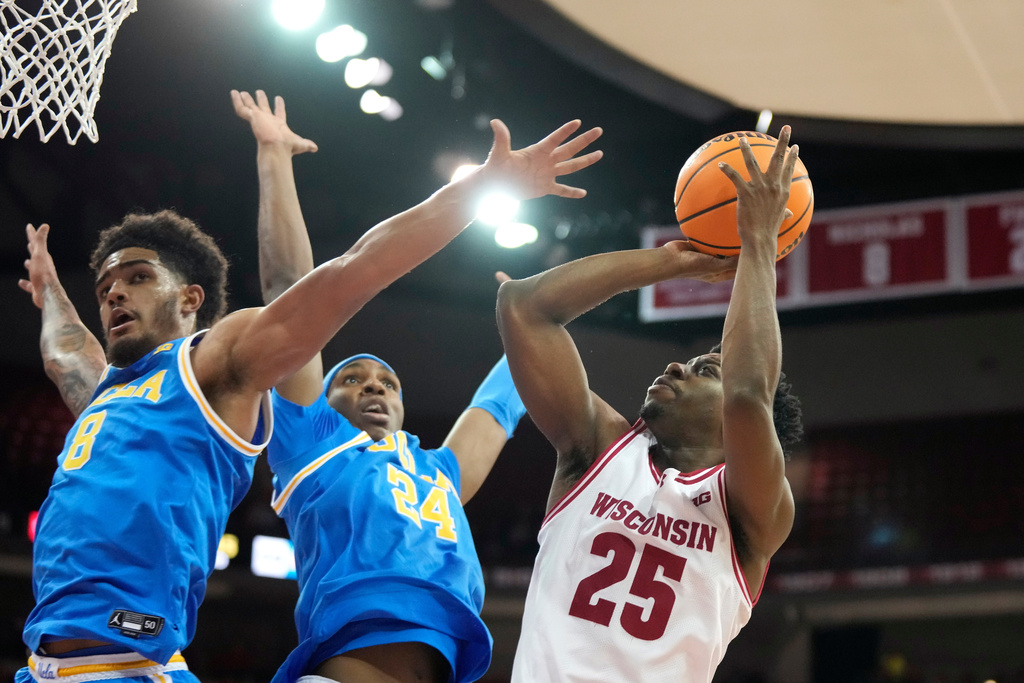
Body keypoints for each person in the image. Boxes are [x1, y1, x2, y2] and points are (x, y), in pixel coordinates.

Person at [14, 90, 600, 683]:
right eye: (106, 284)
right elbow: (67, 353)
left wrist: (518, 281)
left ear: (191, 299)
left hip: (133, 659)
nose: (113, 292)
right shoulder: (125, 399)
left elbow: (353, 283)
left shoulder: (220, 369)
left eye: (137, 277)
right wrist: (52, 291)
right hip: (66, 663)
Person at [231, 89, 602, 683]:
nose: (374, 387)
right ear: (320, 403)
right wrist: (274, 157)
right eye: (350, 378)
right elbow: (289, 291)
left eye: (388, 382)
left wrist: (533, 311)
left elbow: (501, 404)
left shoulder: (438, 473)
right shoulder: (310, 441)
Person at [496, 128, 805, 682]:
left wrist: (759, 242)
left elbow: (747, 394)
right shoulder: (598, 449)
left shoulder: (750, 511)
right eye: (686, 363)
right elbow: (523, 306)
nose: (675, 366)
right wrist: (670, 263)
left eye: (704, 368)